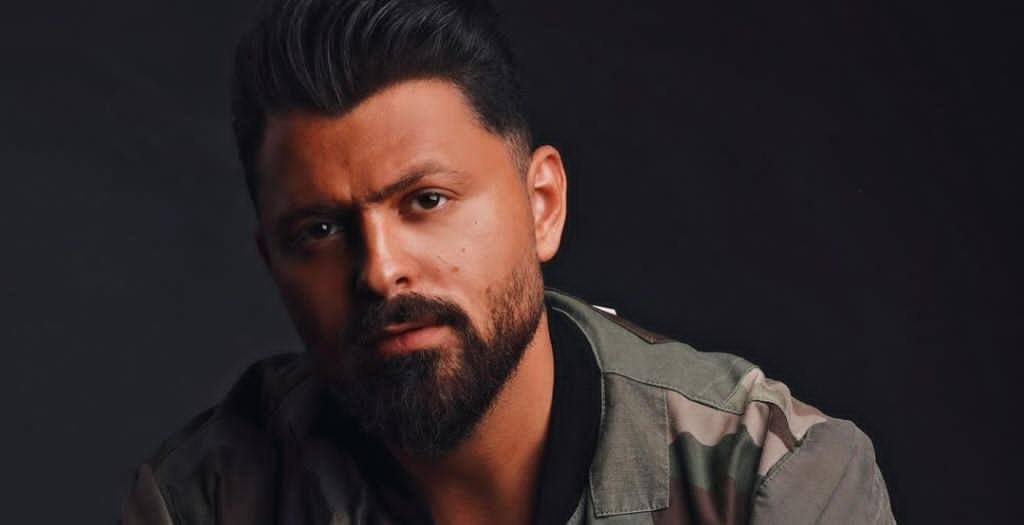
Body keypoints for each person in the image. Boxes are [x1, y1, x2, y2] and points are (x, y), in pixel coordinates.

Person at [120, 1, 895, 523]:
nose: (379, 271)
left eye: (426, 200)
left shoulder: (767, 478)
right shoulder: (207, 500)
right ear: (272, 260)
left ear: (541, 204)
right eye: (319, 230)